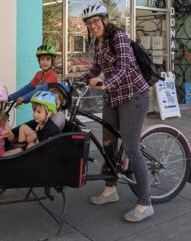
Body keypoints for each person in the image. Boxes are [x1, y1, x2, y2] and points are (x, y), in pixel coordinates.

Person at [74, 4, 152, 222]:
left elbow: (124, 67)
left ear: (105, 20)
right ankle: (110, 189)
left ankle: (146, 202)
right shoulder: (98, 44)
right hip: (112, 98)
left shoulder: (119, 36)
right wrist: (74, 82)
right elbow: (95, 69)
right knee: (108, 143)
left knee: (131, 147)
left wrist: (107, 84)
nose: (93, 26)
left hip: (134, 96)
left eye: (96, 21)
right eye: (89, 23)